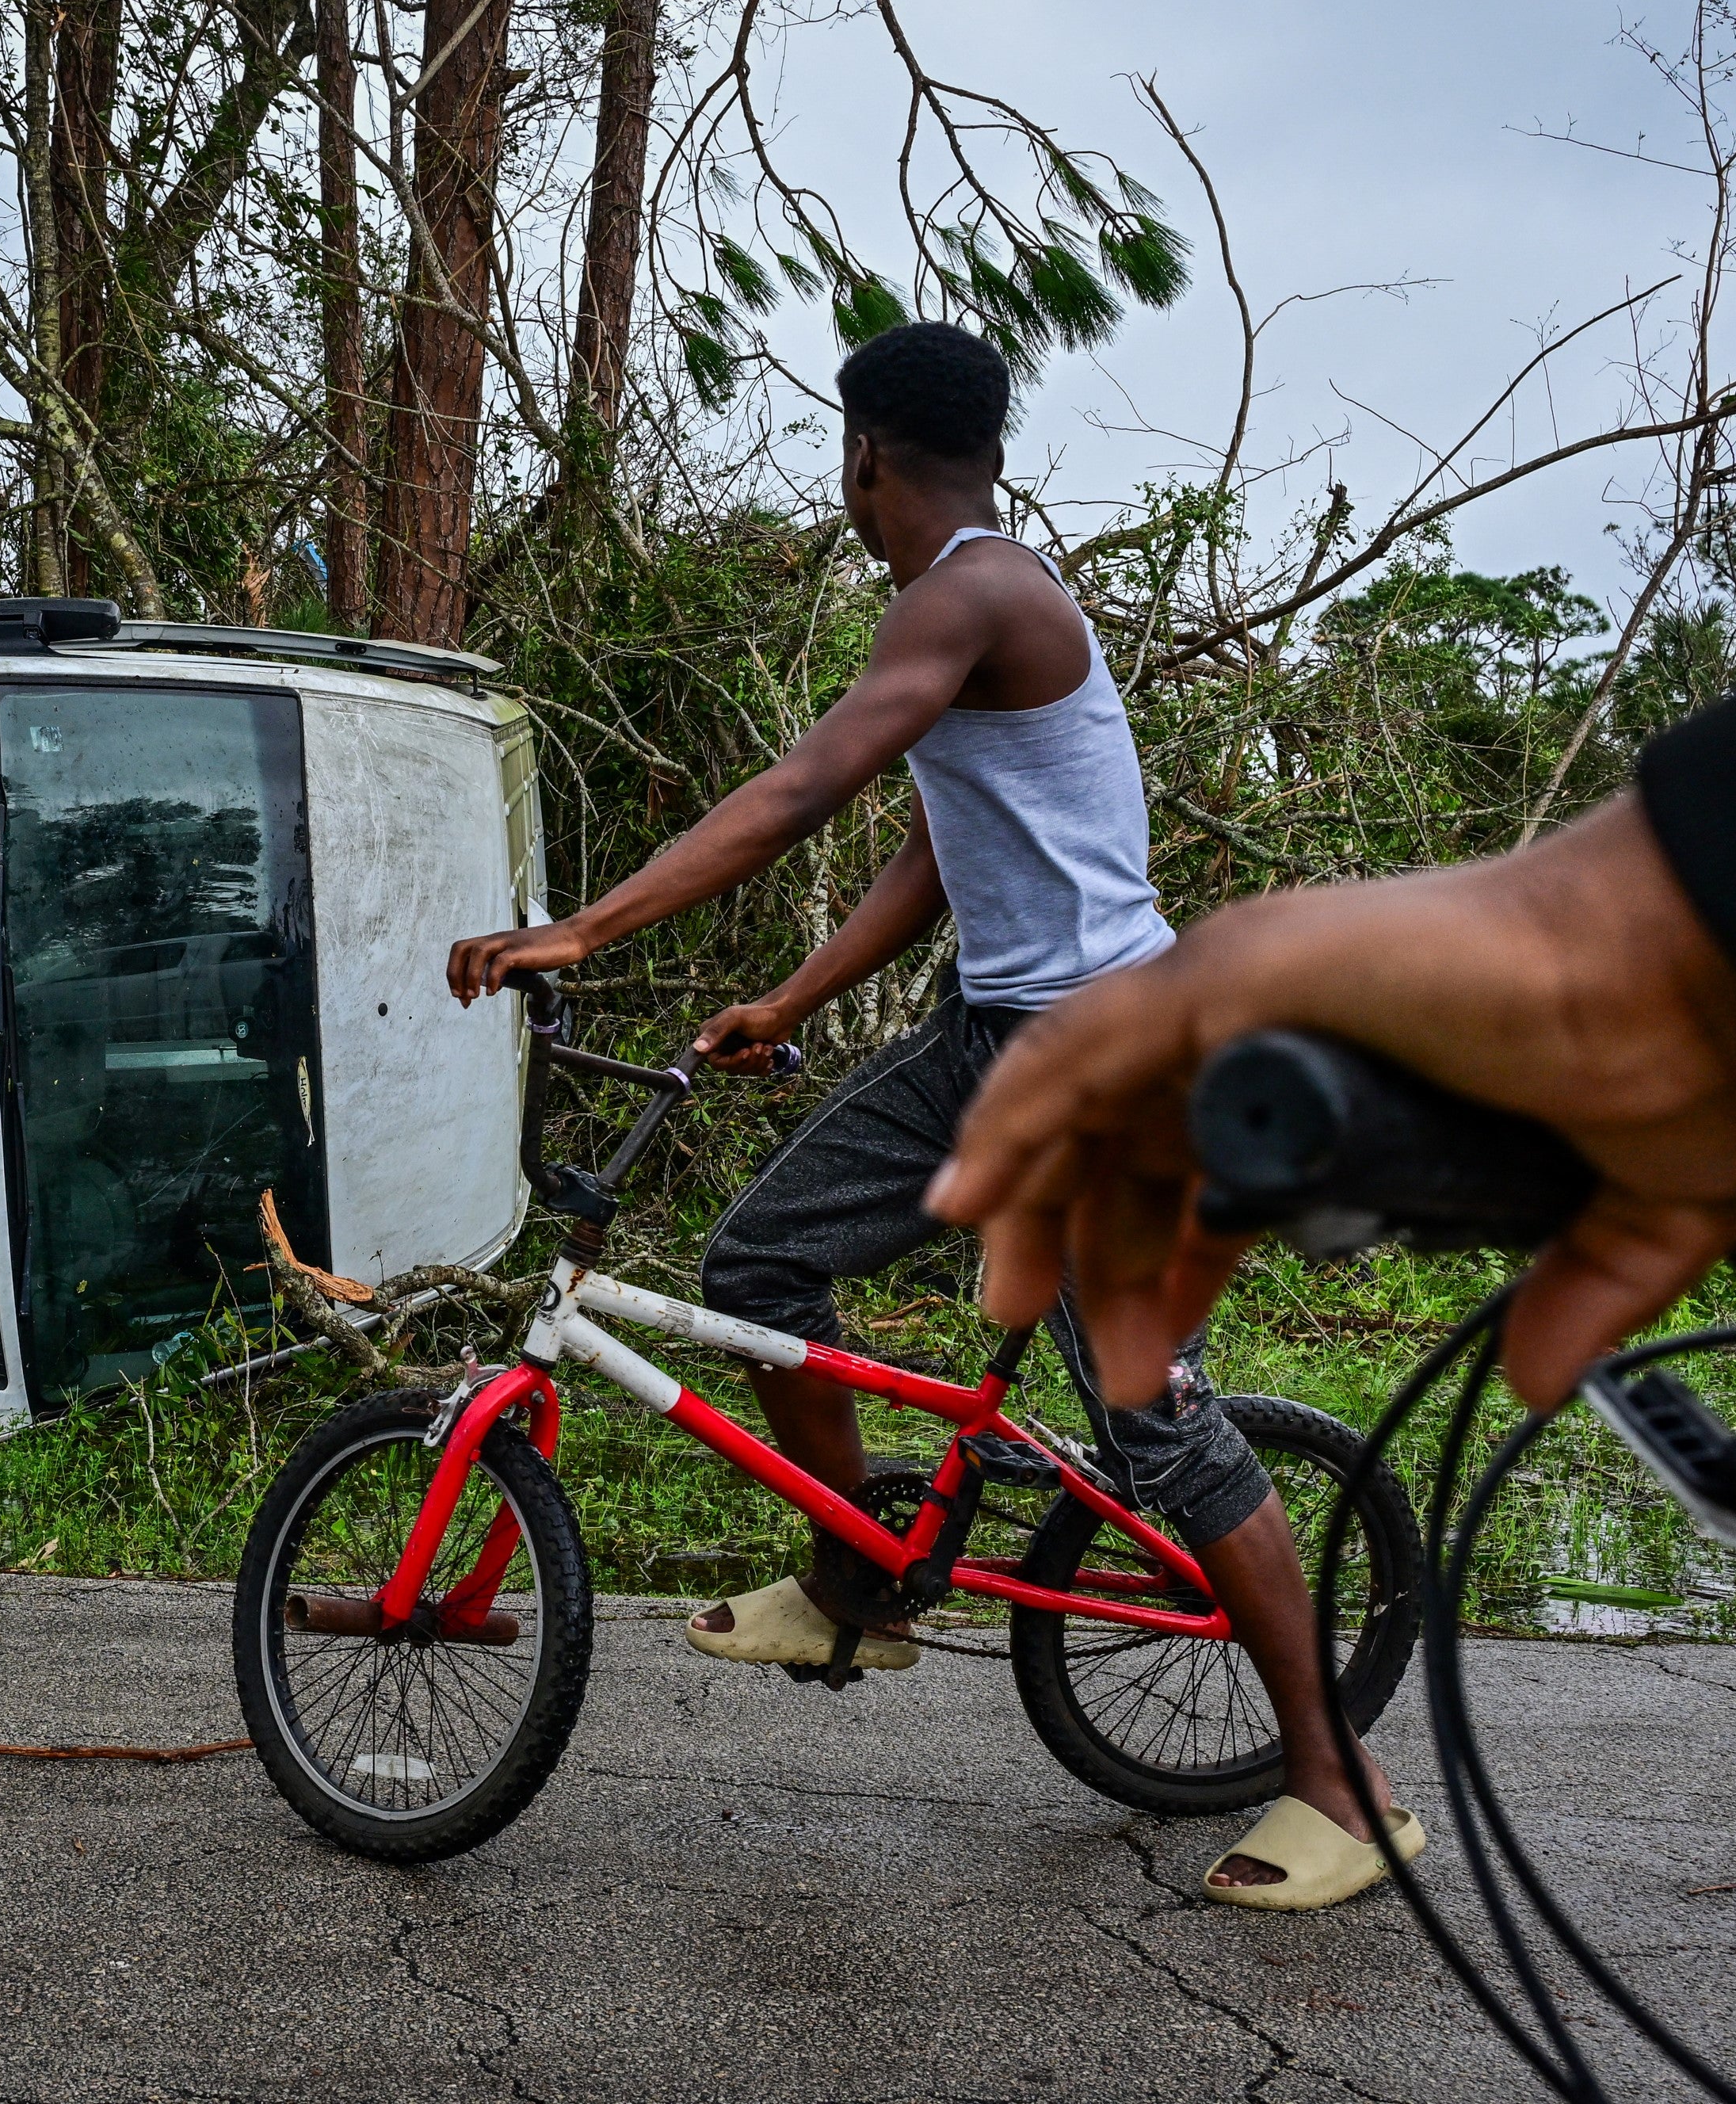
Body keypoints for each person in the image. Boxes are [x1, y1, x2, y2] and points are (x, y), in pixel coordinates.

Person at [449, 320, 1421, 1911]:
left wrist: (585, 928)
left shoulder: (971, 591)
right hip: (995, 1036)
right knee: (763, 1261)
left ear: (865, 454)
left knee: (1151, 1420)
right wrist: (796, 1000)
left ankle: (1348, 1786)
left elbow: (807, 784)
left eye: (846, 456)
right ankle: (856, 1585)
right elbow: (931, 846)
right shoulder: (974, 606)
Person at [923, 302, 1736, 1422]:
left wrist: (1707, 910)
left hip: (1045, 1003)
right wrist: (1717, 925)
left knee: (1136, 1408)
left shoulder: (977, 595)